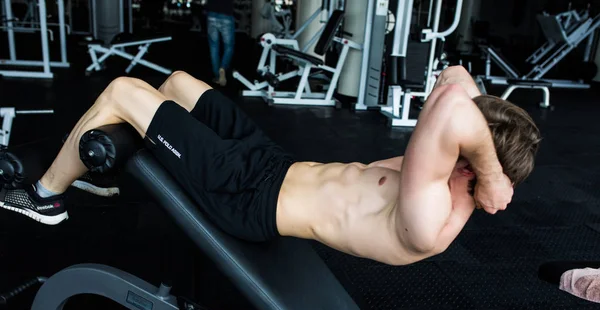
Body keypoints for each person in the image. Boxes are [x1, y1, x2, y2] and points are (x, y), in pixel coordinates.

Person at [0, 66, 541, 266]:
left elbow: (451, 106)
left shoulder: (431, 218)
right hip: (270, 164)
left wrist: (492, 175)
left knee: (123, 91)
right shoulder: (450, 166)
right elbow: (456, 77)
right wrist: (488, 167)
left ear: (470, 169)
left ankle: (45, 197)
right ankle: (105, 179)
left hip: (245, 197)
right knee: (182, 84)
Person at [203, 0, 235, 86]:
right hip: (226, 14)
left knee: (214, 47)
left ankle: (217, 76)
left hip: (211, 14)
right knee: (229, 46)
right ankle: (222, 68)